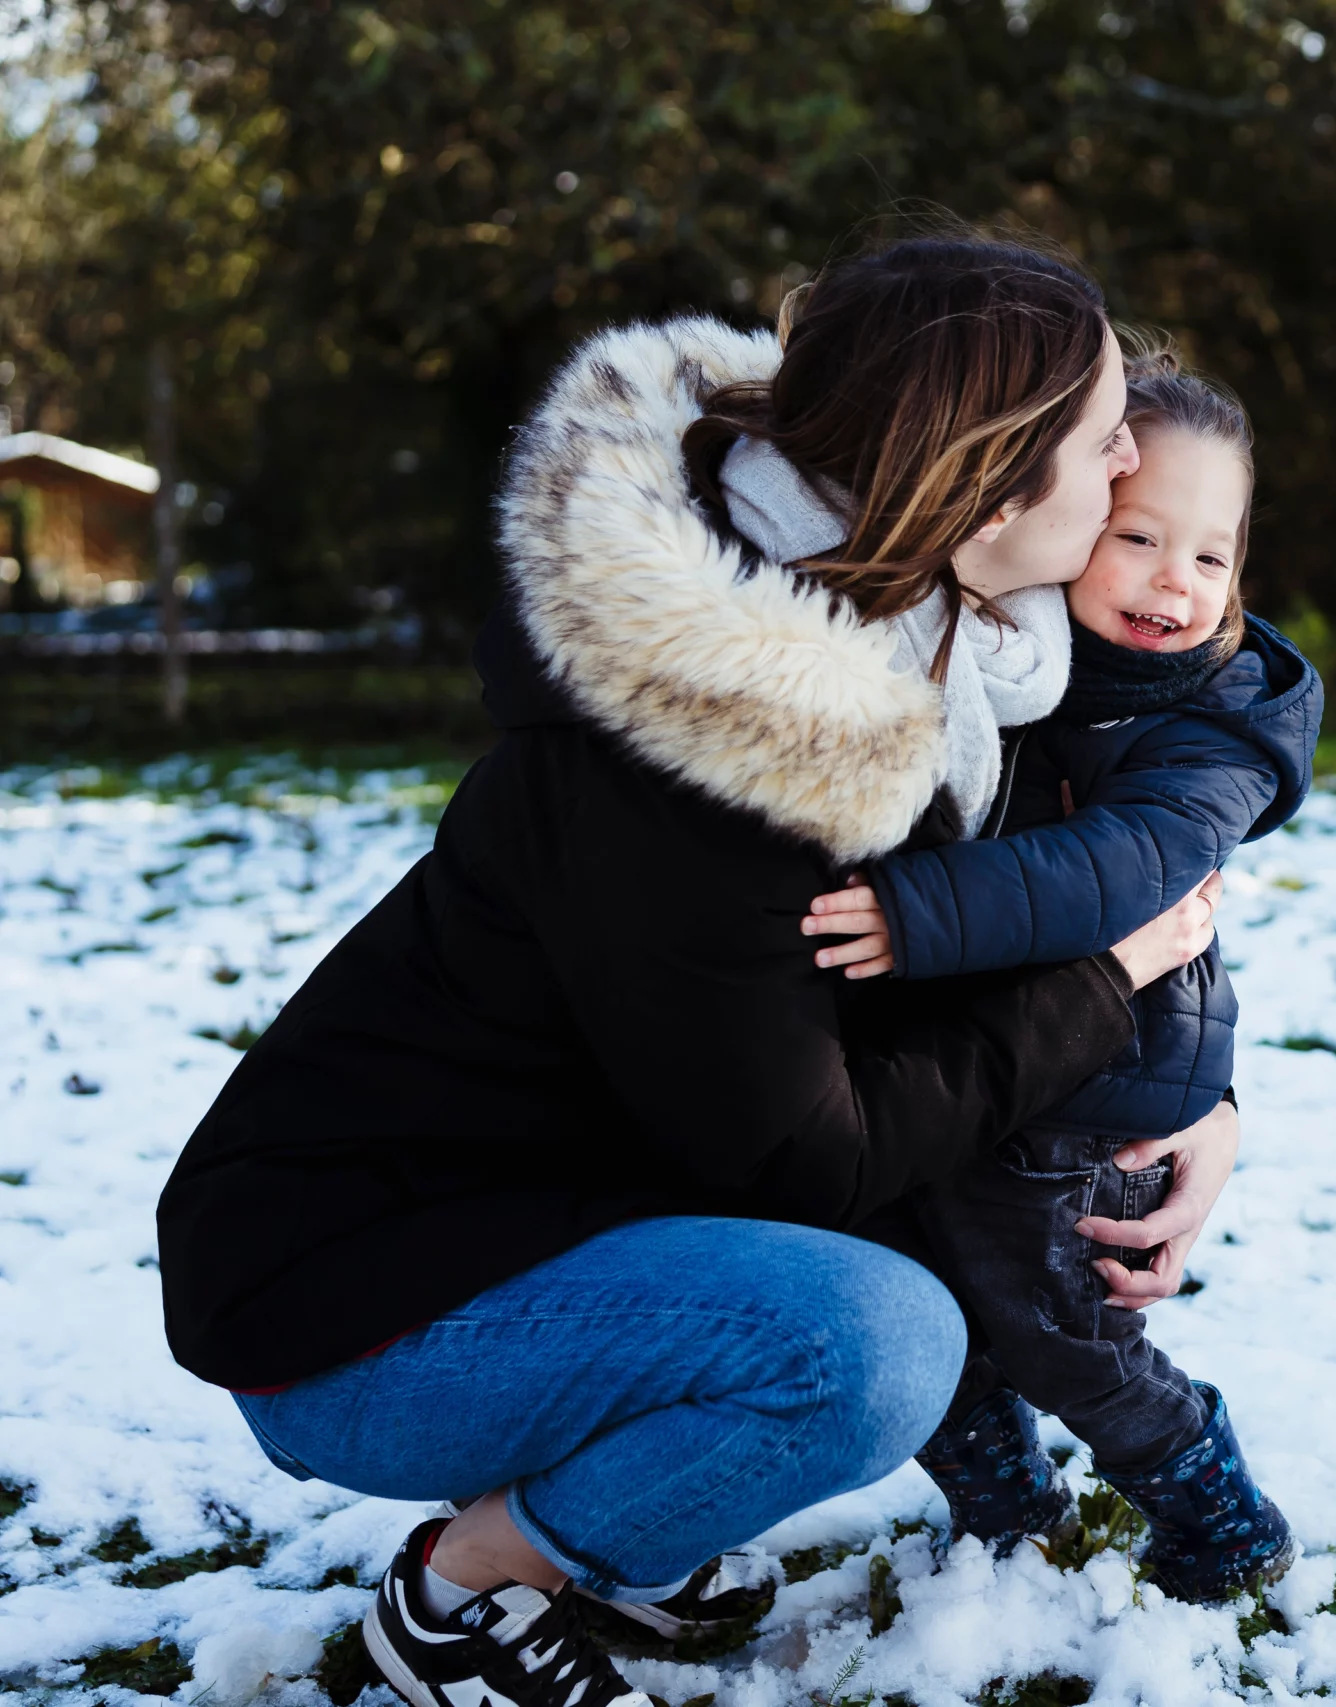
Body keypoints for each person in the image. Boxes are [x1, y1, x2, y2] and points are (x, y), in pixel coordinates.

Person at [154, 235, 1236, 1707]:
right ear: (986, 485)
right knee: (874, 1344)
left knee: (884, 1270)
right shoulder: (716, 761)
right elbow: (815, 1155)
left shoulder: (973, 645)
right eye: (1101, 429)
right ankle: (471, 1585)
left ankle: (618, 1536)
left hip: (575, 1198)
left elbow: (1098, 887)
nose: (1129, 456)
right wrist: (1099, 991)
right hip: (350, 1299)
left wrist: (1196, 1097)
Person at [799, 354, 1319, 1603]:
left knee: (1056, 1325)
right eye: (1138, 534)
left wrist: (918, 913)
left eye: (1212, 555)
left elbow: (1123, 866)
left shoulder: (1222, 718)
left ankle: (1216, 1503)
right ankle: (1001, 1502)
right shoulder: (1021, 668)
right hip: (964, 1061)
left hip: (1092, 1085)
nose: (1174, 582)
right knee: (913, 1282)